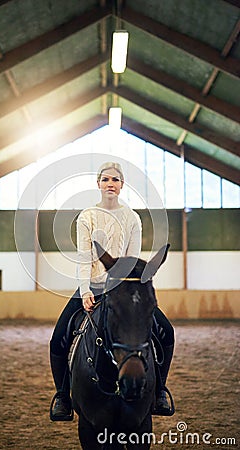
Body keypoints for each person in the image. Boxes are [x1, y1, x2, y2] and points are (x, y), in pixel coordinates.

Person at [49, 162, 174, 421]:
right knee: (59, 337)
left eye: (115, 180)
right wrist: (85, 291)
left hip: (123, 287)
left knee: (165, 332)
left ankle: (159, 390)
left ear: (121, 185)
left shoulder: (132, 218)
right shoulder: (87, 216)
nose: (110, 184)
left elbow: (131, 258)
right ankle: (62, 395)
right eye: (105, 179)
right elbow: (84, 257)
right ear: (98, 183)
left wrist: (127, 287)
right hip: (92, 285)